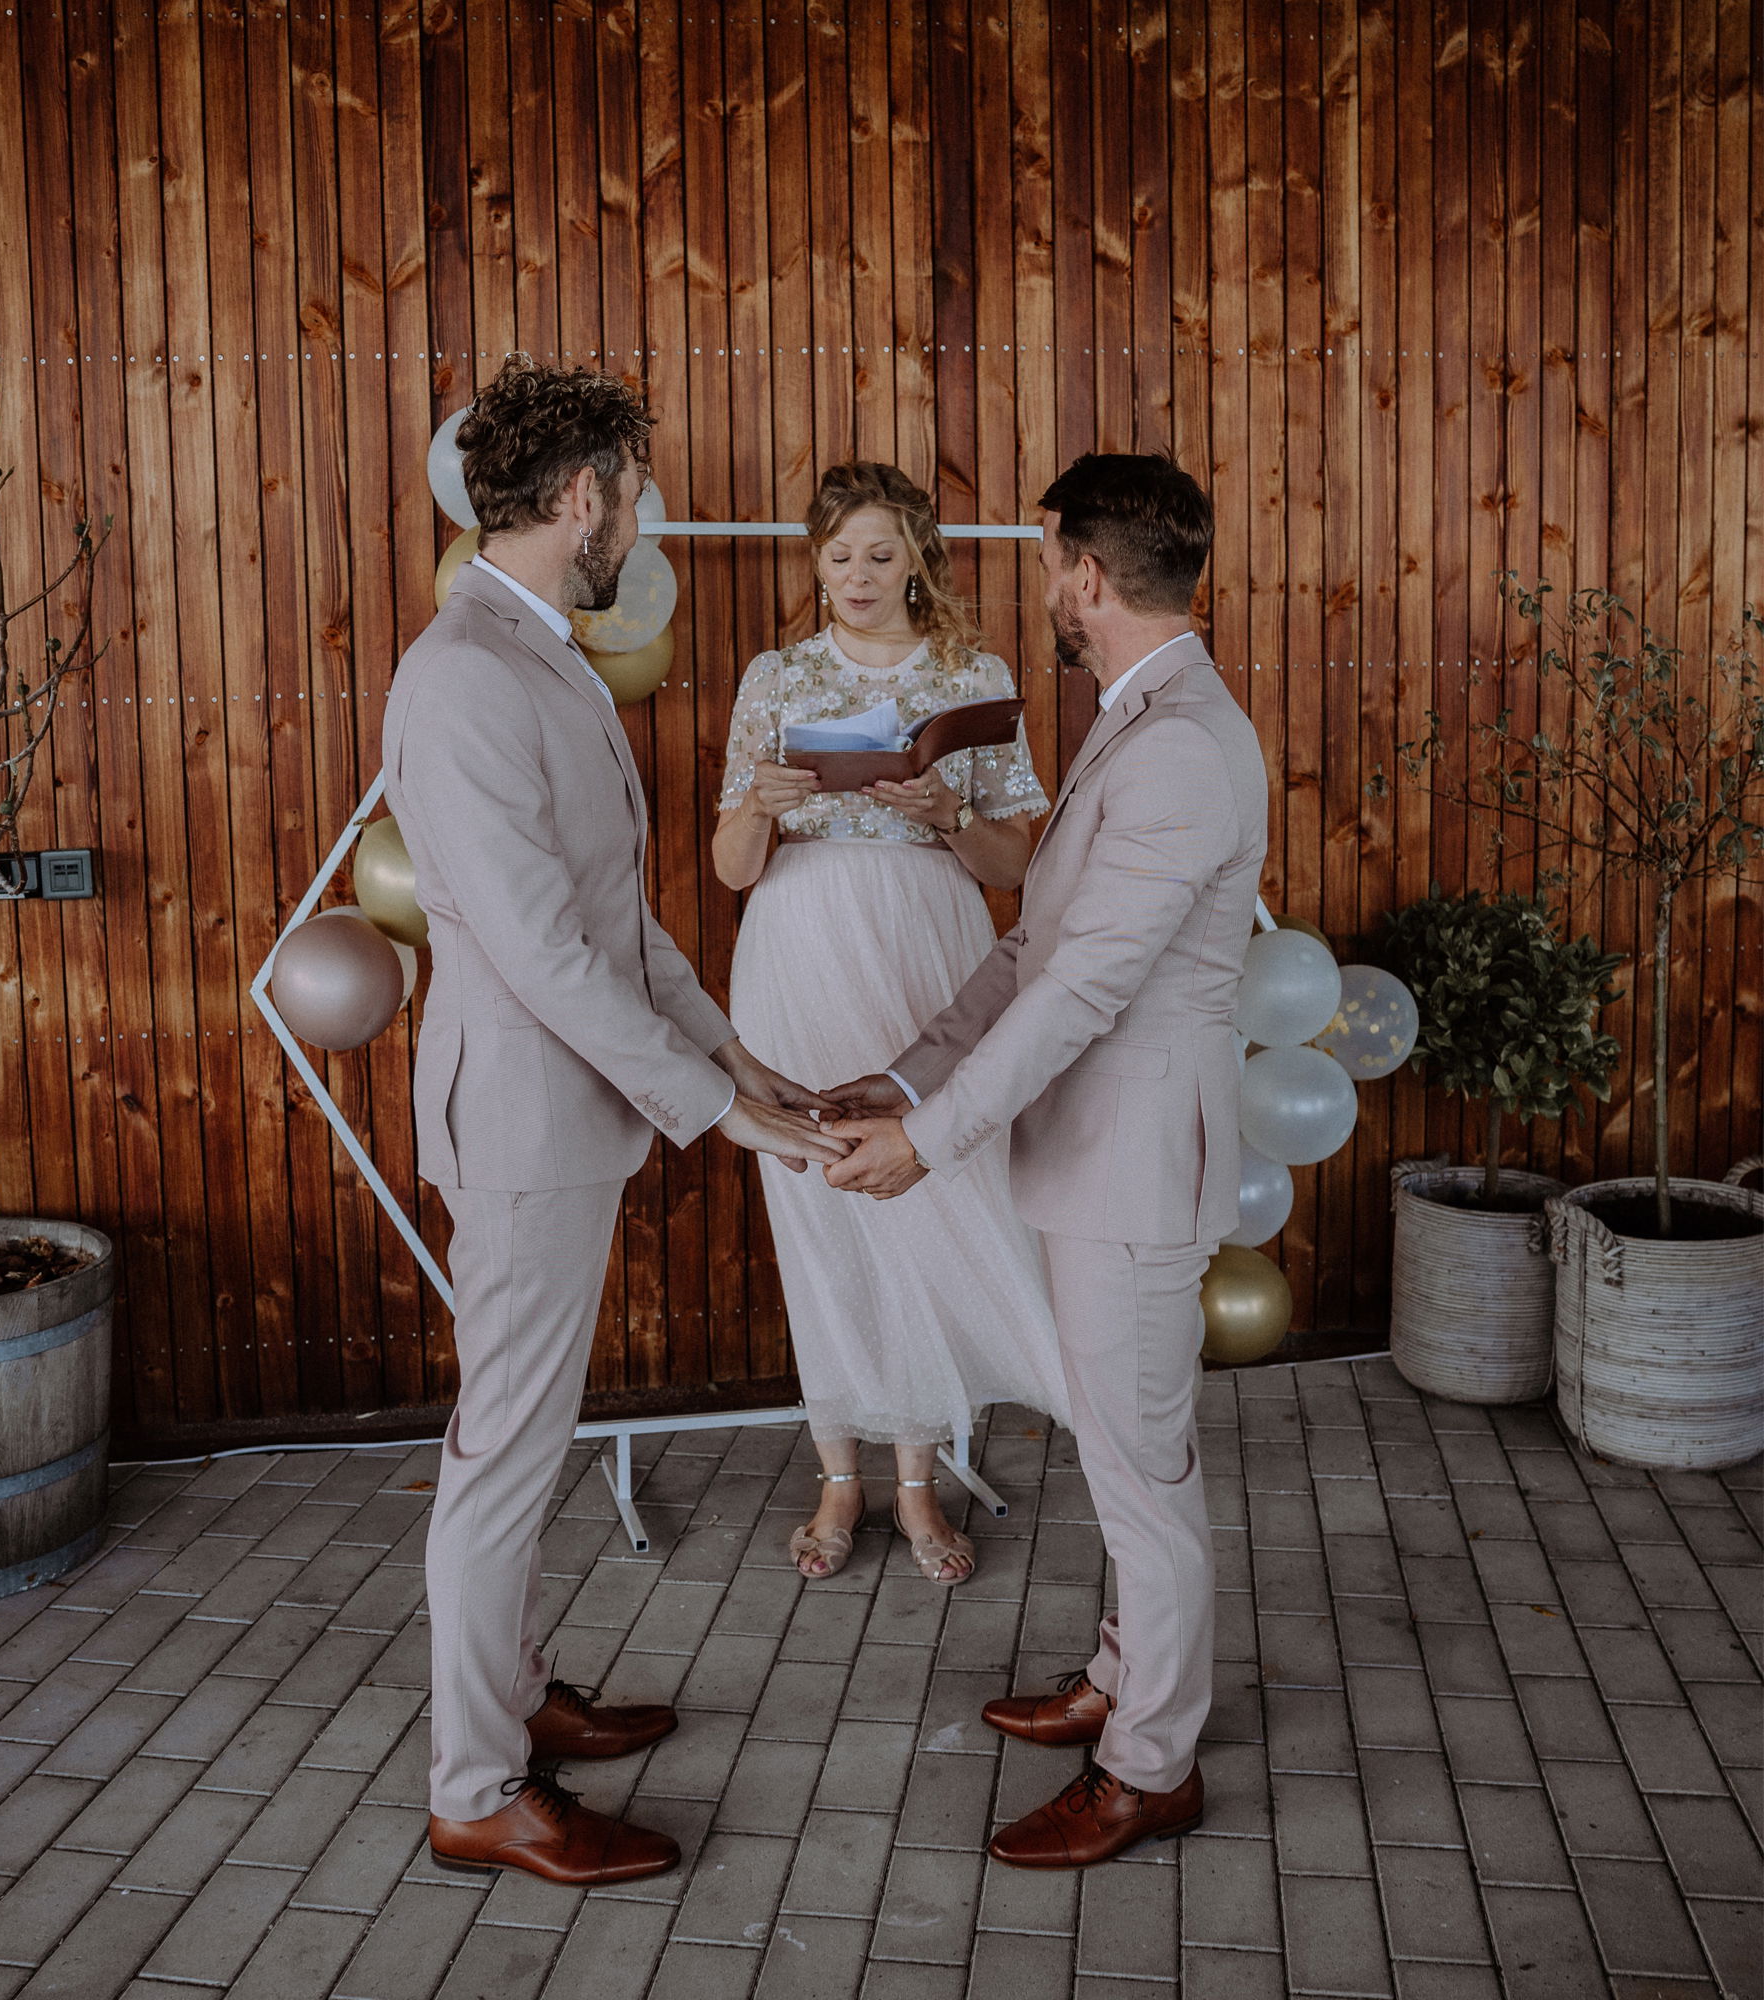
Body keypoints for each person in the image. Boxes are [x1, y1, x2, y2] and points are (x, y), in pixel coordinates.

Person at [383, 358, 847, 1887]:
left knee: (520, 1436)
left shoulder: (543, 653)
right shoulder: (459, 675)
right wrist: (718, 1110)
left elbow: (625, 923)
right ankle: (474, 1786)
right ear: (580, 496)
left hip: (570, 1112)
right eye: (632, 490)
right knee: (503, 1451)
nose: (638, 516)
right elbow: (535, 951)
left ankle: (513, 1698)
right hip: (519, 1122)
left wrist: (746, 1060)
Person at [824, 452, 1268, 1869]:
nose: (1048, 595)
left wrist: (927, 1143)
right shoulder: (1137, 718)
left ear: (1087, 570)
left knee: (1145, 1475)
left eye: (1050, 568)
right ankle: (1122, 1678)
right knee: (1130, 1458)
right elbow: (1028, 950)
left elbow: (1083, 994)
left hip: (1136, 1172)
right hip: (1094, 1160)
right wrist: (902, 1074)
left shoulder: (1187, 743)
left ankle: (1152, 1764)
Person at [713, 461, 1071, 1586]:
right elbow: (727, 869)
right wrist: (758, 810)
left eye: (879, 553)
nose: (858, 575)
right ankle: (837, 1471)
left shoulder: (974, 674)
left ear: (918, 555)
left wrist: (950, 810)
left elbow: (1025, 866)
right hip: (798, 942)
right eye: (837, 554)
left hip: (930, 946)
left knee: (928, 1193)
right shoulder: (775, 677)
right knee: (819, 1196)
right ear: (813, 560)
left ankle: (918, 1478)